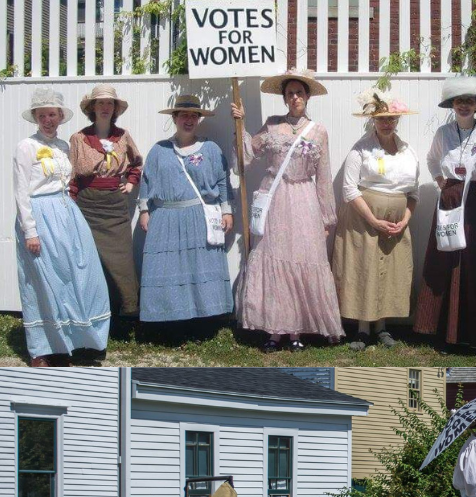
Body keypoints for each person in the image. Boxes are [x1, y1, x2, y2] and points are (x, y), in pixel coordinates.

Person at [231, 67, 342, 352]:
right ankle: (274, 330)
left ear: (307, 97)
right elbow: (246, 157)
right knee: (275, 256)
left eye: (300, 93)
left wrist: (327, 215)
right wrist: (240, 125)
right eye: (290, 93)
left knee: (302, 258)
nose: (295, 97)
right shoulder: (271, 125)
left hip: (304, 198)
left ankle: (296, 332)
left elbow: (324, 175)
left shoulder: (318, 131)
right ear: (284, 98)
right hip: (275, 199)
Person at [12, 88, 111, 367]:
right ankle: (43, 349)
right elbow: (21, 192)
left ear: (59, 117)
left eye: (52, 114)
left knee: (77, 274)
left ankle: (79, 341)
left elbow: (68, 183)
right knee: (43, 281)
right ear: (35, 117)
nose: (48, 120)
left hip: (66, 213)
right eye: (42, 115)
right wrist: (30, 230)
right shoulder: (26, 146)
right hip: (39, 214)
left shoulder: (64, 147)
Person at [414, 76, 476, 352]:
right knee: (446, 261)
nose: (465, 106)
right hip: (451, 199)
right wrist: (440, 180)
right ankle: (444, 333)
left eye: (470, 100)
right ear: (452, 105)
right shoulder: (443, 133)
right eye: (459, 101)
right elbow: (433, 159)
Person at [136, 96, 236, 329]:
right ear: (174, 118)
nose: (189, 120)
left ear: (199, 119)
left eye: (193, 116)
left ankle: (203, 318)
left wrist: (226, 210)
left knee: (198, 266)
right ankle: (169, 320)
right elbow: (147, 181)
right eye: (183, 116)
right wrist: (143, 210)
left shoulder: (210, 149)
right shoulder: (159, 150)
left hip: (198, 217)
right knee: (168, 266)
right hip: (166, 218)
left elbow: (222, 180)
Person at [333, 89, 421, 350]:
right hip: (364, 220)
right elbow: (349, 189)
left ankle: (382, 327)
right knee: (364, 269)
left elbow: (414, 192)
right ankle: (362, 330)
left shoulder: (407, 151)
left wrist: (404, 220)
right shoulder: (361, 149)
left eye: (392, 118)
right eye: (382, 118)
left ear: (398, 120)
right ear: (373, 120)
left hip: (395, 223)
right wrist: (373, 220)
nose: (387, 123)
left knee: (389, 272)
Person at [68, 85, 143, 323]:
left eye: (109, 103)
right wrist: (71, 205)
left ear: (115, 108)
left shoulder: (122, 136)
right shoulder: (78, 138)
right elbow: (70, 176)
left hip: (114, 206)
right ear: (92, 107)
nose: (104, 107)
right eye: (100, 103)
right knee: (90, 261)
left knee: (121, 260)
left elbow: (136, 163)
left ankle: (126, 311)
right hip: (86, 205)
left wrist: (131, 182)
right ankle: (95, 314)